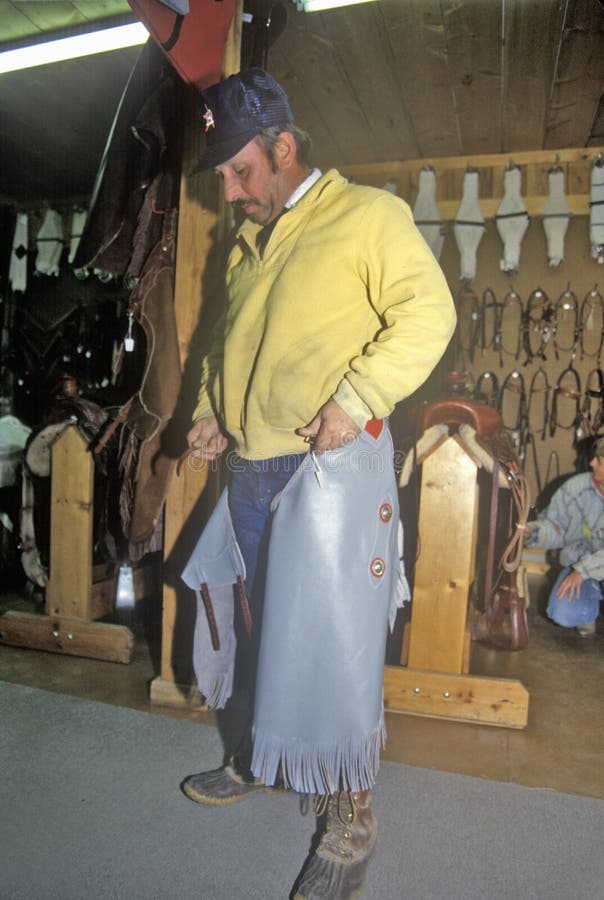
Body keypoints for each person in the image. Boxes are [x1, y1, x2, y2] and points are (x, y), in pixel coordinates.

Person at [181, 68, 456, 899]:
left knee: (331, 647)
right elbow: (223, 344)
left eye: (241, 171)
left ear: (283, 148)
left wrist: (358, 397)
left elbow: (429, 312)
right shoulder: (244, 247)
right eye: (223, 175)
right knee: (261, 629)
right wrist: (210, 409)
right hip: (249, 466)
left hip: (327, 470)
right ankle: (264, 755)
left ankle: (350, 815)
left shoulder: (367, 216)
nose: (231, 192)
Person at [524, 436, 604, 637]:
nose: (592, 463)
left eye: (599, 459)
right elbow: (556, 527)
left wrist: (583, 571)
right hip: (583, 565)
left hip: (588, 567)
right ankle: (587, 608)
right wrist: (532, 532)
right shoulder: (576, 488)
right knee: (562, 611)